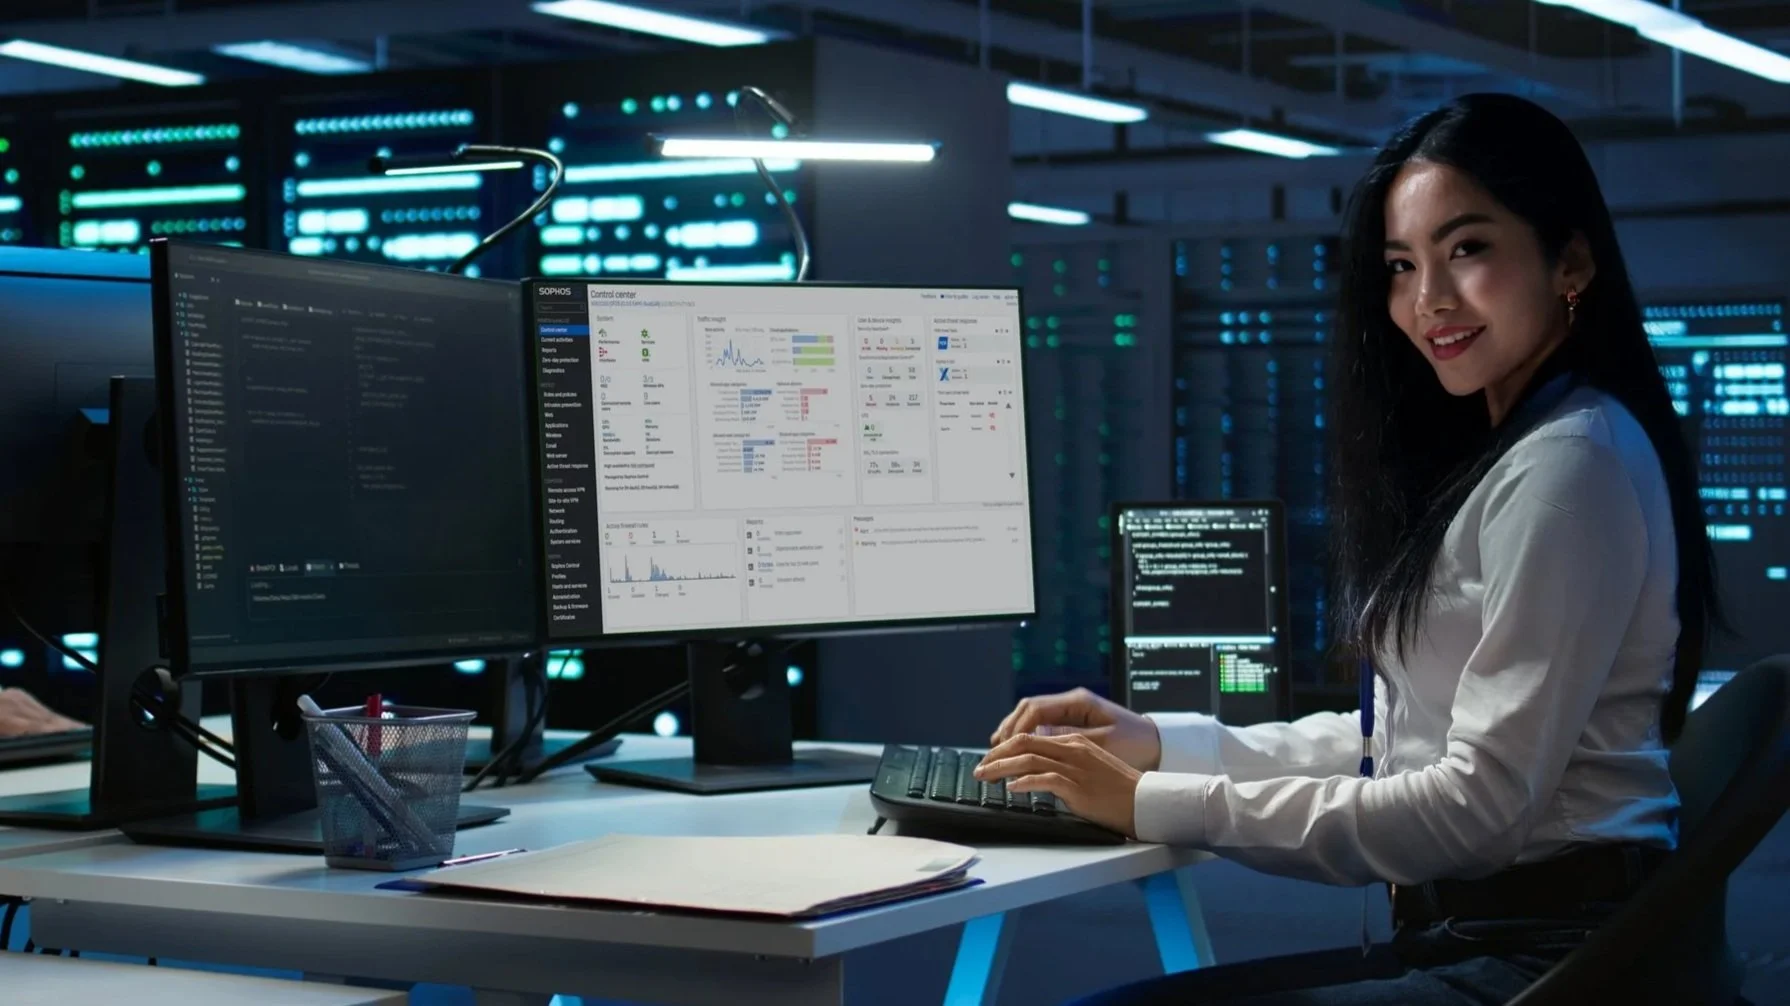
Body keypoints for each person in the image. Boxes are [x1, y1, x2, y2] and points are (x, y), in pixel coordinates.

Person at [975, 93, 1722, 1004]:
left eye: (1468, 249)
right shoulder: (1520, 450)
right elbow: (1402, 740)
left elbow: (1473, 809)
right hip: (1489, 936)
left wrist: (1151, 803)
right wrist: (1159, 746)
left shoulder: (1569, 466)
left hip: (1554, 964)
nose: (1429, 302)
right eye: (1402, 266)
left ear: (1569, 258)